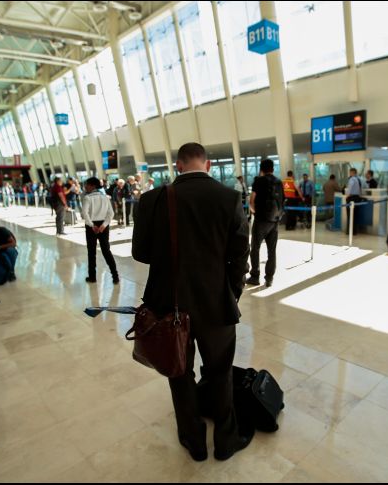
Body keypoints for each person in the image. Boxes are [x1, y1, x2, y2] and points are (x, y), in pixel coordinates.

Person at [133, 142, 251, 462]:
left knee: (179, 371)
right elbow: (240, 255)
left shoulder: (152, 199)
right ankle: (226, 441)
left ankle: (193, 440)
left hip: (167, 303)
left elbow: (140, 253)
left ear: (178, 166)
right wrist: (232, 292)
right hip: (216, 303)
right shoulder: (229, 198)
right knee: (220, 370)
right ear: (209, 165)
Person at [247, 159, 284, 288]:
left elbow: (251, 201)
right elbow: (282, 201)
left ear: (261, 169)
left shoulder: (258, 181)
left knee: (255, 248)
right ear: (273, 169)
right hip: (274, 221)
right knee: (272, 250)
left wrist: (254, 212)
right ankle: (269, 279)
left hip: (261, 220)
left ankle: (255, 276)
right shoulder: (279, 182)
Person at [81, 177, 120, 284]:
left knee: (91, 252)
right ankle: (115, 276)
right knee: (106, 251)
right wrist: (104, 225)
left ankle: (92, 277)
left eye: (87, 184)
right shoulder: (105, 197)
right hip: (104, 226)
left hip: (91, 227)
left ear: (93, 186)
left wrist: (92, 225)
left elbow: (85, 214)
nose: (85, 187)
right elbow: (111, 213)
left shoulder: (87, 198)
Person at [345, 168, 364, 235]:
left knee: (350, 215)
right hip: (357, 198)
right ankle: (354, 231)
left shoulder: (352, 179)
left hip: (351, 198)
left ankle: (350, 231)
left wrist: (347, 196)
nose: (349, 174)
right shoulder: (359, 179)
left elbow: (350, 188)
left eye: (350, 172)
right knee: (355, 215)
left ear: (352, 172)